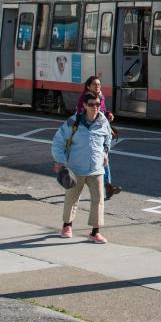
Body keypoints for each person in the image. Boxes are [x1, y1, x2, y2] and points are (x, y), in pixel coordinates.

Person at [52, 93, 114, 244]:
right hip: (76, 168)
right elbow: (58, 141)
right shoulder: (73, 121)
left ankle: (95, 232)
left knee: (98, 200)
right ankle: (67, 226)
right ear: (85, 105)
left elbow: (108, 138)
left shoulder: (103, 121)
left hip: (96, 168)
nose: (95, 107)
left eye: (98, 104)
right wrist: (60, 160)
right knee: (71, 198)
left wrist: (105, 154)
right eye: (92, 104)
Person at [77, 76, 121, 200]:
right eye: (95, 85)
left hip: (99, 132)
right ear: (88, 86)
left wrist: (108, 114)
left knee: (104, 157)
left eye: (99, 85)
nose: (98, 87)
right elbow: (81, 113)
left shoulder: (100, 96)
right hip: (88, 133)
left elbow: (103, 111)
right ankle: (76, 183)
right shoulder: (85, 98)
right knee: (84, 159)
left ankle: (108, 186)